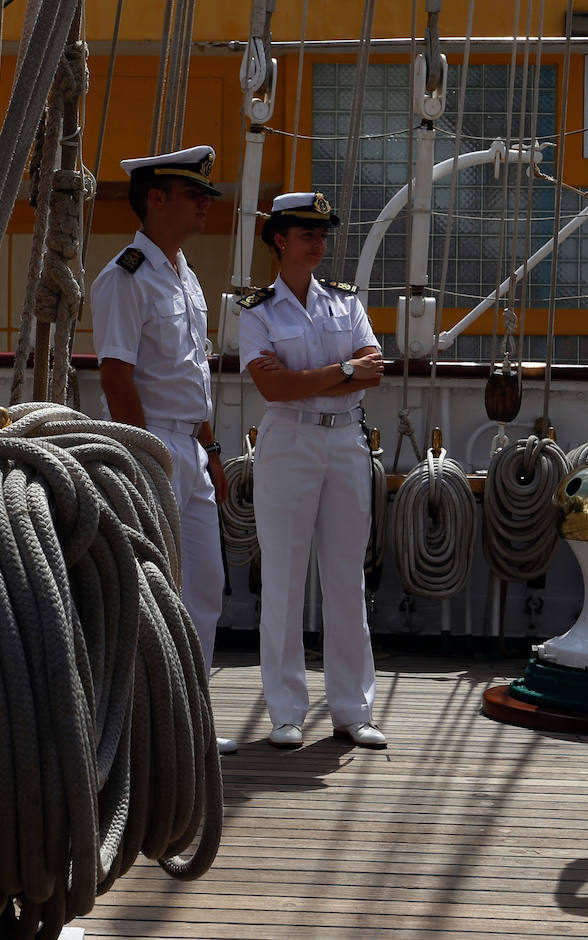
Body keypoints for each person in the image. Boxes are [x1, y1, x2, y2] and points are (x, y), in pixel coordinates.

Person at [90, 145, 237, 755]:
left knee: (205, 585)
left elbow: (192, 378)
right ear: (156, 199)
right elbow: (116, 377)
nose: (205, 203)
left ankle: (189, 717)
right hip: (150, 447)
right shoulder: (123, 277)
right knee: (150, 590)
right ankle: (135, 726)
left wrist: (213, 451)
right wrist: (147, 456)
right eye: (193, 194)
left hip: (192, 450)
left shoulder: (185, 274)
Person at [237, 192, 387, 749]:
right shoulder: (256, 311)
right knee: (283, 578)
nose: (319, 243)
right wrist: (344, 369)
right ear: (280, 241)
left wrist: (323, 376)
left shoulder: (346, 302)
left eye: (323, 234)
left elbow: (374, 373)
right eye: (307, 235)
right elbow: (272, 387)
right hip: (289, 445)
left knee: (347, 578)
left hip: (345, 442)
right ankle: (286, 712)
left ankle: (353, 710)